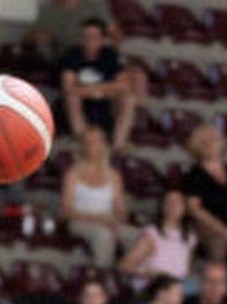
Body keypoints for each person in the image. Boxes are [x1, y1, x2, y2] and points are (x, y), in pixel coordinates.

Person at [58, 17, 140, 149]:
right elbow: (68, 87)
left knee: (128, 99)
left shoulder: (110, 55)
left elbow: (123, 86)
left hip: (103, 99)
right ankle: (82, 141)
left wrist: (94, 90)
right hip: (80, 100)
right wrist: (102, 89)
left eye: (94, 37)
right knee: (71, 97)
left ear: (102, 39)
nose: (89, 40)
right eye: (85, 36)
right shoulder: (72, 54)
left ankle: (119, 143)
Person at [61, 124, 129, 270]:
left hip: (108, 219)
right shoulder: (72, 174)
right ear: (82, 146)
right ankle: (103, 275)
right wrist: (99, 219)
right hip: (81, 220)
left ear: (103, 145)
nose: (92, 145)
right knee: (104, 235)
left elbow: (120, 208)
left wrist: (117, 220)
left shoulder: (114, 176)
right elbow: (66, 211)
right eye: (88, 142)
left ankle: (130, 275)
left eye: (96, 141)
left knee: (139, 236)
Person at [181, 124, 227, 263]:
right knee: (219, 242)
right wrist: (225, 231)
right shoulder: (194, 174)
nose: (210, 145)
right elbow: (194, 209)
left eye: (213, 140)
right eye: (204, 142)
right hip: (207, 226)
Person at [119, 188, 194, 286]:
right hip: (153, 286)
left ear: (184, 208)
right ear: (162, 207)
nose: (173, 205)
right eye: (169, 202)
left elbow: (185, 271)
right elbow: (124, 265)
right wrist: (146, 272)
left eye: (177, 202)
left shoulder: (190, 237)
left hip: (176, 287)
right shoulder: (152, 234)